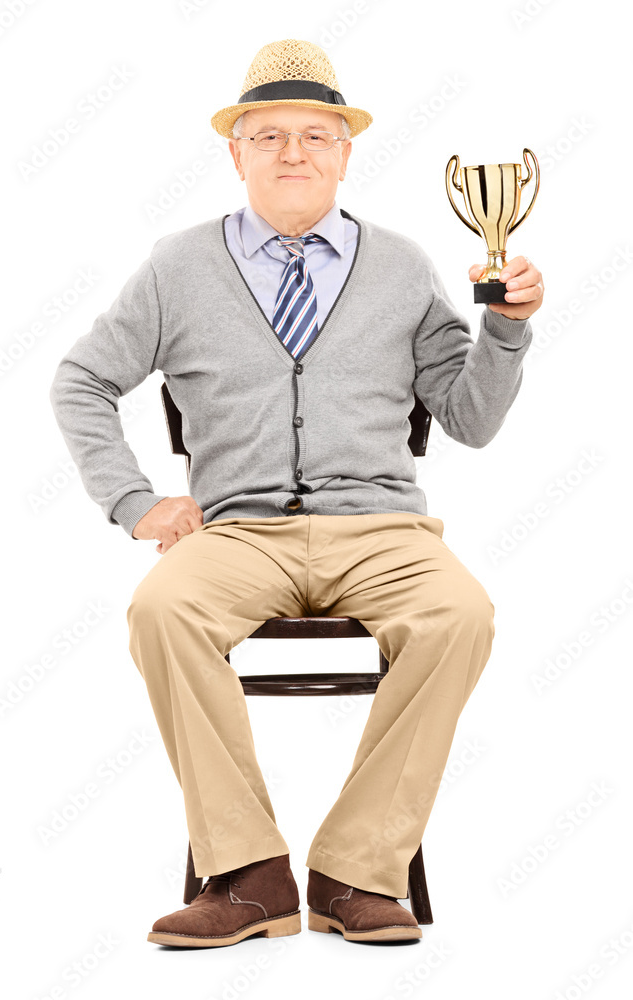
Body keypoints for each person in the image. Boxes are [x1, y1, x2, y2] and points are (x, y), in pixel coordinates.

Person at [49, 38, 544, 949]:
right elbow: (80, 379)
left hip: (381, 530)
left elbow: (468, 420)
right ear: (235, 152)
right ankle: (248, 875)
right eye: (267, 135)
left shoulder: (400, 266)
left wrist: (505, 331)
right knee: (163, 609)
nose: (292, 153)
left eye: (315, 135)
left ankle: (357, 868)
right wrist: (133, 501)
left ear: (345, 153)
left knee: (459, 614)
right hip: (235, 535)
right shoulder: (176, 266)